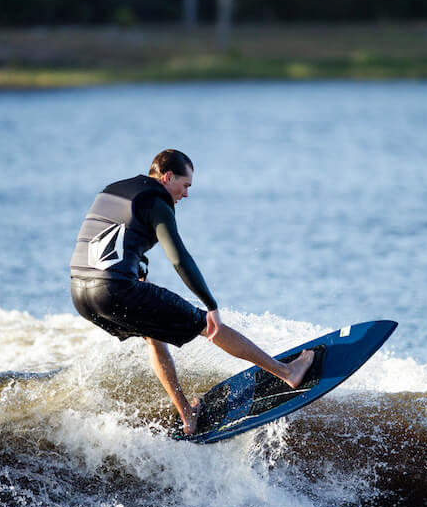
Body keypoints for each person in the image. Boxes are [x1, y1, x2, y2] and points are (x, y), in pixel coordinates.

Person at [70, 149, 314, 435]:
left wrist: (137, 270)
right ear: (167, 177)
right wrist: (210, 303)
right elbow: (178, 258)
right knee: (207, 325)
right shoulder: (156, 201)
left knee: (154, 336)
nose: (185, 194)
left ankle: (187, 415)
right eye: (185, 186)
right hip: (115, 289)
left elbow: (107, 236)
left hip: (81, 294)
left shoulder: (113, 190)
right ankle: (288, 373)